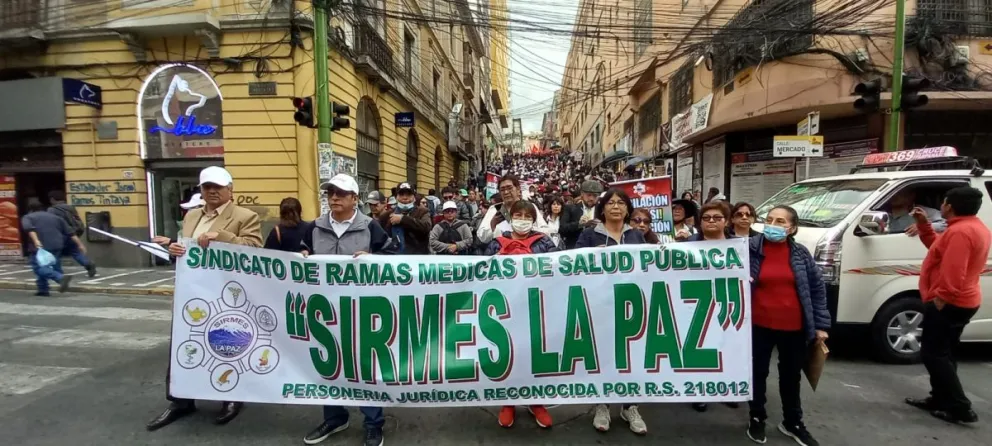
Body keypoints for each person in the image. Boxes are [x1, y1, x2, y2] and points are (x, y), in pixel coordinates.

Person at [148, 166, 262, 431]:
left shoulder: (246, 216)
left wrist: (221, 237)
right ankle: (180, 398)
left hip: (228, 293)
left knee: (227, 342)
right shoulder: (191, 215)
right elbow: (186, 249)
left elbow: (256, 249)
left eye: (217, 187)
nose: (212, 191)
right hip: (193, 292)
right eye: (207, 187)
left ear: (230, 190)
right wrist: (174, 247)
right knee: (184, 343)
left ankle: (232, 397)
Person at [300, 174, 393, 446]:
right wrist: (303, 256)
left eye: (341, 194)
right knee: (329, 363)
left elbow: (393, 259)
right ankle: (335, 417)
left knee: (365, 366)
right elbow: (302, 251)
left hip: (362, 309)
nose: (334, 198)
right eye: (331, 193)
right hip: (325, 310)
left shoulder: (371, 227)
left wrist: (373, 259)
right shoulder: (314, 227)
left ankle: (373, 422)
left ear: (355, 199)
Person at [746, 205, 830, 446]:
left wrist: (821, 326)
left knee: (791, 376)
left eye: (780, 221)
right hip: (757, 325)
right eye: (770, 219)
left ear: (792, 228)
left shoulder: (801, 254)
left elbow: (816, 290)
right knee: (757, 372)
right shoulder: (749, 249)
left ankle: (792, 422)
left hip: (794, 327)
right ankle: (756, 416)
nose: (773, 224)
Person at [905, 186, 989, 424]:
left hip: (951, 301)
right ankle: (940, 398)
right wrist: (924, 225)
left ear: (949, 206)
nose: (941, 205)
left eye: (943, 202)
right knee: (944, 353)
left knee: (934, 355)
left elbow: (954, 271)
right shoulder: (969, 227)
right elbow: (938, 250)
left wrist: (941, 298)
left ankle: (961, 407)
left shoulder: (961, 232)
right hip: (961, 299)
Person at [575, 189, 647, 434]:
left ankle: (629, 406)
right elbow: (575, 266)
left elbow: (651, 267)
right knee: (603, 355)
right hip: (600, 305)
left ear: (627, 209)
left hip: (631, 305)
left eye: (621, 203)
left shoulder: (637, 236)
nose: (616, 207)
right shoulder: (588, 235)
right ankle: (602, 404)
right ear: (602, 208)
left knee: (631, 356)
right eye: (610, 203)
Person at [484, 200, 557, 428]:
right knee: (508, 354)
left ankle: (536, 401)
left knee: (534, 353)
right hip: (504, 309)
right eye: (518, 215)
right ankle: (508, 401)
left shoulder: (544, 242)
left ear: (534, 220)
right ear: (510, 216)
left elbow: (562, 266)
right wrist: (489, 264)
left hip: (536, 306)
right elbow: (479, 270)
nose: (522, 220)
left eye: (527, 216)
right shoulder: (496, 243)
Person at [685, 201, 740, 413]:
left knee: (727, 347)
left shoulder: (739, 246)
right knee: (702, 349)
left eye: (717, 218)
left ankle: (727, 389)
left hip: (727, 300)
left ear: (726, 221)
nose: (711, 222)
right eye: (706, 218)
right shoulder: (690, 243)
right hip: (697, 302)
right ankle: (700, 392)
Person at [22, 198, 82, 295]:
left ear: (30, 208)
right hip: (57, 245)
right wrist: (80, 244)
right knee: (54, 265)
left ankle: (60, 278)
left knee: (39, 268)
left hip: (40, 246)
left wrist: (36, 241)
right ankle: (43, 290)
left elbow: (29, 229)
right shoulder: (55, 217)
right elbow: (70, 232)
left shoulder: (28, 217)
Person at [477, 175, 545, 244]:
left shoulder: (530, 207)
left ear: (518, 189)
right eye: (502, 189)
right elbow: (482, 237)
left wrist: (527, 228)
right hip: (502, 252)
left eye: (509, 188)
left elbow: (545, 231)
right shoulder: (494, 209)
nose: (506, 192)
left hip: (527, 252)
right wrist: (492, 225)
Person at [47, 190, 96, 277]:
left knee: (55, 254)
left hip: (60, 235)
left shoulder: (52, 210)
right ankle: (88, 264)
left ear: (52, 199)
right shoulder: (71, 207)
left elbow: (50, 223)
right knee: (75, 252)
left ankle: (58, 274)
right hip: (72, 234)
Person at [379, 182, 432, 254]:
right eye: (401, 194)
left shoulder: (423, 212)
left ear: (414, 197)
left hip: (418, 258)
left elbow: (426, 227)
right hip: (393, 259)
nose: (405, 197)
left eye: (409, 194)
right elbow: (380, 239)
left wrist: (403, 219)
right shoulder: (385, 216)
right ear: (396, 197)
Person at [559, 180, 601, 249]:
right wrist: (579, 224)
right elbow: (562, 229)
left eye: (595, 195)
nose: (591, 198)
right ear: (582, 194)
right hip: (575, 250)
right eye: (589, 195)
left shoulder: (602, 210)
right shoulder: (570, 208)